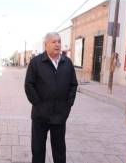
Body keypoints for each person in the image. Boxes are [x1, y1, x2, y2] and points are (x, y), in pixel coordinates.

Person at [24, 32, 78, 163]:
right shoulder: (36, 62)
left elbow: (73, 84)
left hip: (60, 115)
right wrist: (38, 104)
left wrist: (68, 105)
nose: (57, 44)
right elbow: (29, 85)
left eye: (59, 41)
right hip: (40, 116)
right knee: (38, 150)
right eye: (54, 42)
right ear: (46, 44)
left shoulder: (67, 62)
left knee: (59, 150)